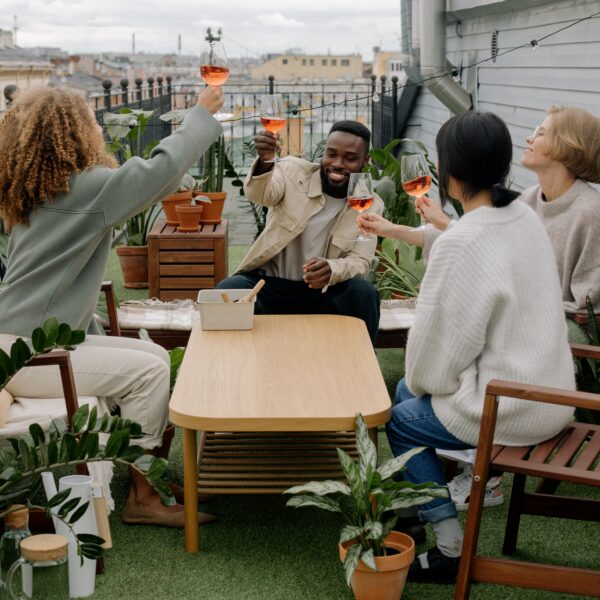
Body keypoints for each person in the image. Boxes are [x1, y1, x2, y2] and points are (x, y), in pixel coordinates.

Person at [358, 111, 575, 583]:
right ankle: (414, 513)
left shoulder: (464, 242)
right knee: (403, 395)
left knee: (401, 420)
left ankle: (451, 550)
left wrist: (428, 384)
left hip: (513, 407)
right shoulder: (523, 215)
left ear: (448, 172)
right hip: (552, 392)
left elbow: (431, 364)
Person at [0, 85, 224, 527]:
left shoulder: (37, 191)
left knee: (156, 356)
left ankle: (149, 476)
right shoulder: (84, 190)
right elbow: (158, 172)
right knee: (153, 371)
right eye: (90, 119)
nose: (98, 127)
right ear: (74, 132)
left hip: (18, 344)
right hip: (29, 354)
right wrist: (201, 115)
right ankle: (142, 497)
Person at [217, 120, 384, 344]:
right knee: (229, 289)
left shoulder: (370, 203)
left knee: (363, 293)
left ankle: (362, 366)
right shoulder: (292, 172)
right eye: (331, 154)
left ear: (366, 161)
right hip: (270, 286)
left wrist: (332, 269)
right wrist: (266, 162)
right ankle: (226, 364)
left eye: (350, 158)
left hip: (323, 292)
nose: (337, 164)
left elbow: (360, 260)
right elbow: (261, 195)